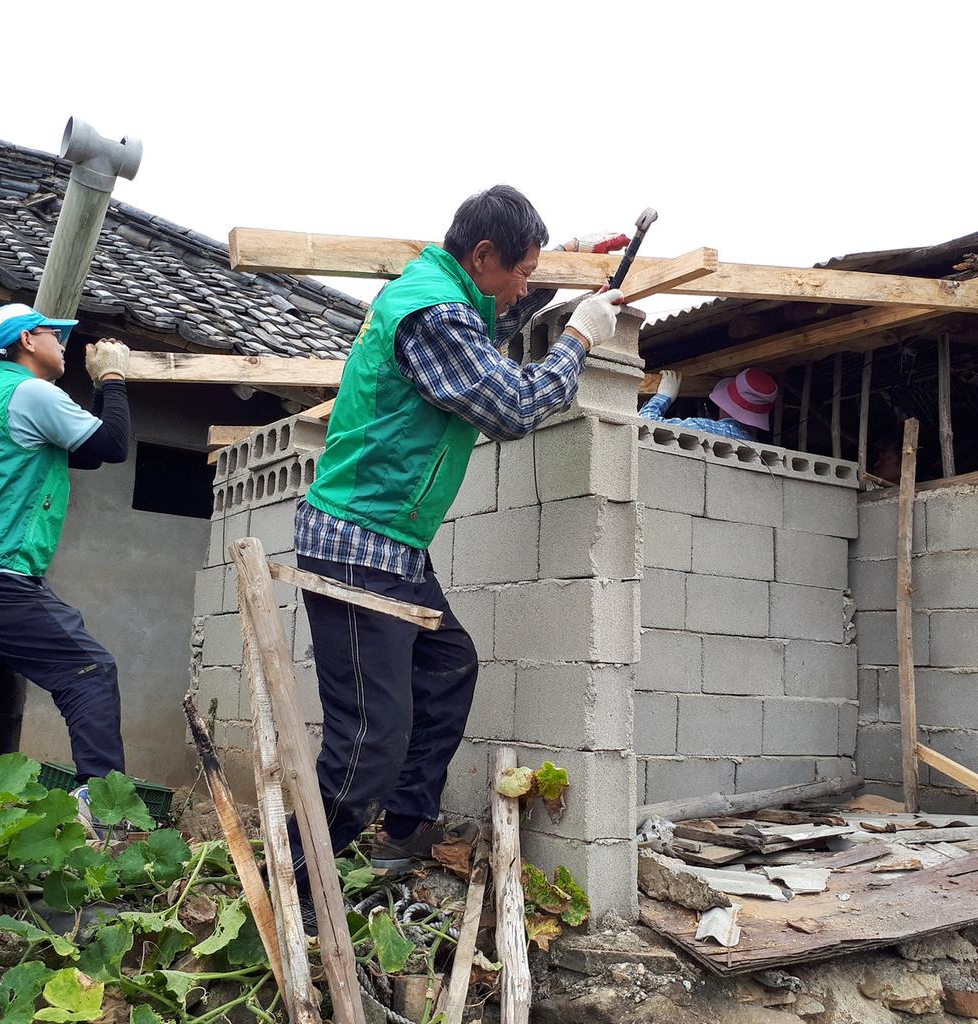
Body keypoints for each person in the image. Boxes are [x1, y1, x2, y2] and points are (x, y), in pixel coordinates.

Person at [290, 185, 628, 922]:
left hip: (392, 546)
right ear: (482, 257)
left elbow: (492, 341)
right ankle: (300, 881)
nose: (525, 288)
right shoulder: (434, 313)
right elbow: (511, 405)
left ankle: (404, 831)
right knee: (369, 741)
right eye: (522, 272)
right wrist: (581, 337)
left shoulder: (447, 299)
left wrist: (568, 285)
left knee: (447, 666)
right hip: (358, 547)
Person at [0, 303, 131, 825]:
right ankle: (100, 811)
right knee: (90, 670)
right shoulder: (31, 392)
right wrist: (114, 377)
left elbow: (89, 453)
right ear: (27, 341)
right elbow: (115, 445)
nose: (65, 344)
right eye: (56, 335)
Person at [639, 367, 779, 441]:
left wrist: (664, 396)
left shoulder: (709, 429)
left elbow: (644, 425)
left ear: (724, 403)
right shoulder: (755, 445)